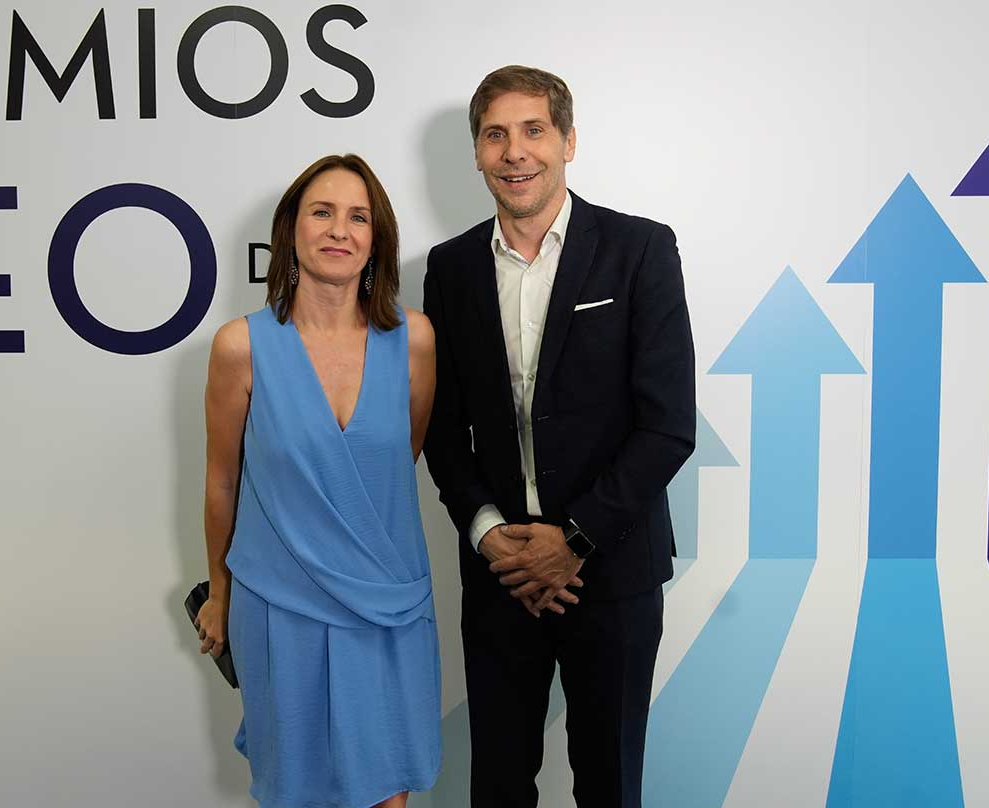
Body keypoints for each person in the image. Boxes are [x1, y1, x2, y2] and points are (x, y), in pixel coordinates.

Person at [421, 66, 696, 807]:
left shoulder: (640, 249)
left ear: (568, 142)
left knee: (609, 787)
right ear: (477, 153)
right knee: (498, 787)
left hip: (612, 571)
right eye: (496, 135)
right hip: (501, 574)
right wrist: (488, 533)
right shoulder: (450, 269)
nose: (515, 152)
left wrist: (573, 539)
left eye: (534, 130)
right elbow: (442, 428)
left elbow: (668, 424)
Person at [196, 153, 442, 808]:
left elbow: (399, 458)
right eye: (323, 212)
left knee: (388, 796)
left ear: (377, 238)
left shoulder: (415, 340)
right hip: (280, 604)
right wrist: (219, 590)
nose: (340, 229)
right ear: (292, 230)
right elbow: (222, 482)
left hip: (386, 603)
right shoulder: (240, 346)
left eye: (358, 217)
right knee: (295, 791)